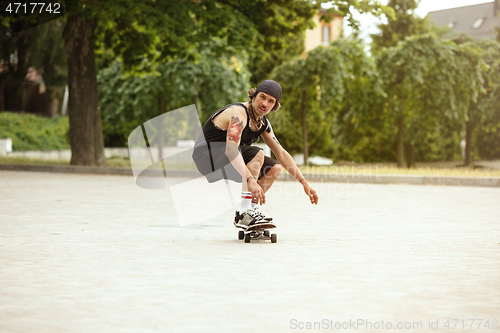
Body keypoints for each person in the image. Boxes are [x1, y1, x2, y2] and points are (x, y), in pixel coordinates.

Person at [192, 80, 318, 229]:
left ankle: (251, 212)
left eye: (271, 101)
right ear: (253, 96)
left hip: (226, 159)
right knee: (258, 153)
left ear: (274, 106)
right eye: (262, 97)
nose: (265, 103)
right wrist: (251, 180)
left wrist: (303, 182)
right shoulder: (239, 113)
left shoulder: (262, 123)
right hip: (206, 156)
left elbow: (281, 153)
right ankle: (244, 213)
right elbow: (231, 149)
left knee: (274, 168)